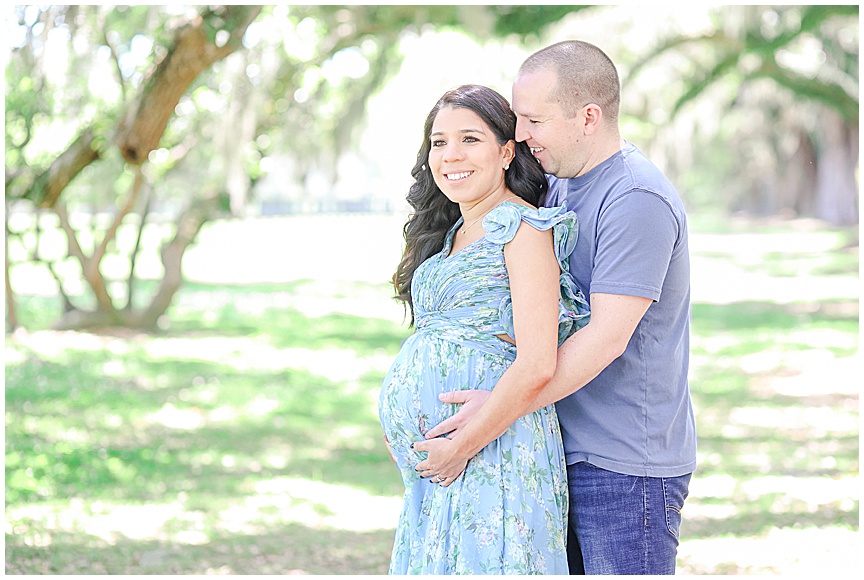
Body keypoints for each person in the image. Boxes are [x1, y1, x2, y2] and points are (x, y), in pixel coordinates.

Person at [416, 41, 697, 575]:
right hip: (557, 448)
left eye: (534, 120)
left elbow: (605, 339)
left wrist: (491, 414)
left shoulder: (635, 198)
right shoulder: (558, 188)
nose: (521, 134)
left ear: (588, 117)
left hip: (622, 464)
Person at [377, 83, 590, 575]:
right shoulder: (452, 232)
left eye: (470, 139)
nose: (451, 154)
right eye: (439, 141)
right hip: (440, 469)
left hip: (494, 451)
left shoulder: (524, 230)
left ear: (506, 151)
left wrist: (459, 449)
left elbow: (537, 362)